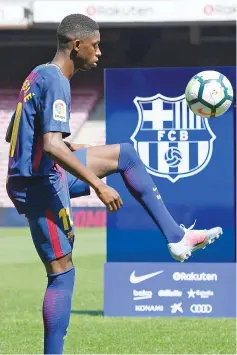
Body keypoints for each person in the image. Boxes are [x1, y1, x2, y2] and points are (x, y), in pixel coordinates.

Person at [5, 13, 222, 354]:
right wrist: (98, 184)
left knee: (126, 156)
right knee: (62, 273)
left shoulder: (37, 74)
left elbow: (14, 132)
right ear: (77, 46)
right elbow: (50, 144)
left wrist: (80, 154)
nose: (99, 53)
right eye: (96, 46)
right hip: (39, 183)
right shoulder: (57, 80)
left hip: (42, 174)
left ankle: (177, 238)